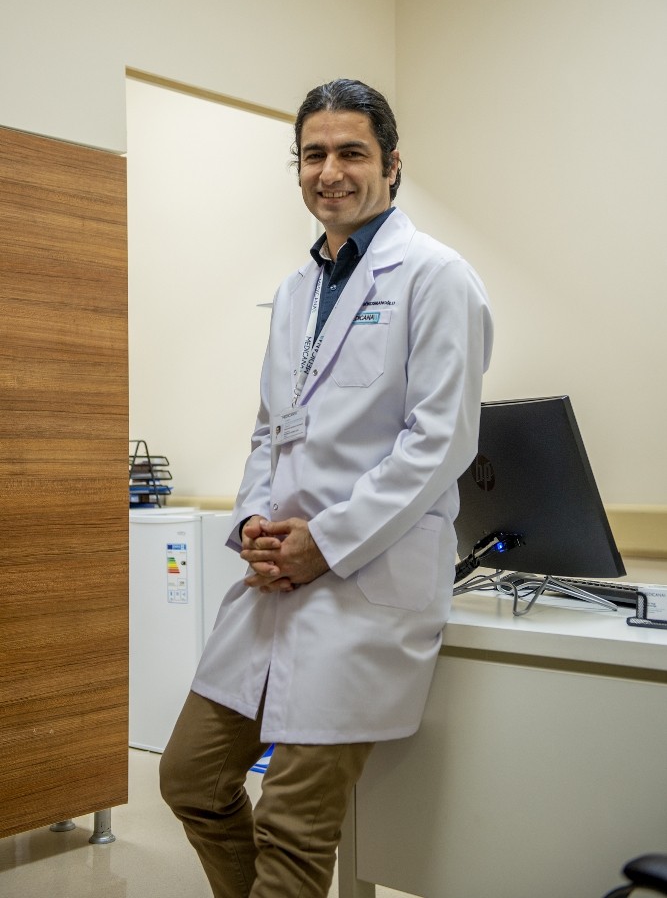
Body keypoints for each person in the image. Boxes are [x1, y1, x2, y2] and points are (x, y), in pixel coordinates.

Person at [160, 78, 494, 897]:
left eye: (351, 152)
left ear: (391, 164)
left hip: (362, 586)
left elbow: (439, 441)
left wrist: (327, 542)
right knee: (190, 780)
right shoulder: (295, 292)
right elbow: (269, 431)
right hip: (274, 579)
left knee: (292, 830)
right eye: (313, 155)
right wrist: (252, 523)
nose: (330, 172)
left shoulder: (435, 277)